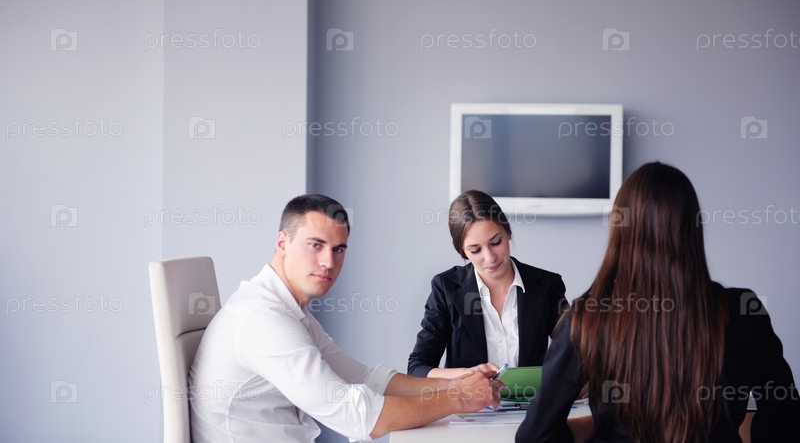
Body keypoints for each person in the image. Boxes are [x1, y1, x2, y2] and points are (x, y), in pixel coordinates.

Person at [515, 161, 800, 442]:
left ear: (620, 231)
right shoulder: (743, 310)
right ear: (693, 229)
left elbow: (535, 436)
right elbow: (785, 419)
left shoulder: (588, 317)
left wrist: (600, 426)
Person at [189, 194, 501, 442]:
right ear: (282, 243)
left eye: (338, 249)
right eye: (316, 245)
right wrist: (458, 398)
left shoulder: (288, 311)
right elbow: (358, 417)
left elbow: (366, 379)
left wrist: (456, 384)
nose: (328, 261)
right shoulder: (264, 320)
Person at [407, 190, 567, 379]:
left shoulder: (547, 285)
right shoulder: (445, 288)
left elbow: (575, 352)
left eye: (496, 242)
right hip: (468, 398)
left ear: (508, 233)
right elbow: (417, 368)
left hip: (532, 398)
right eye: (475, 250)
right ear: (463, 252)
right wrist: (468, 375)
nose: (490, 258)